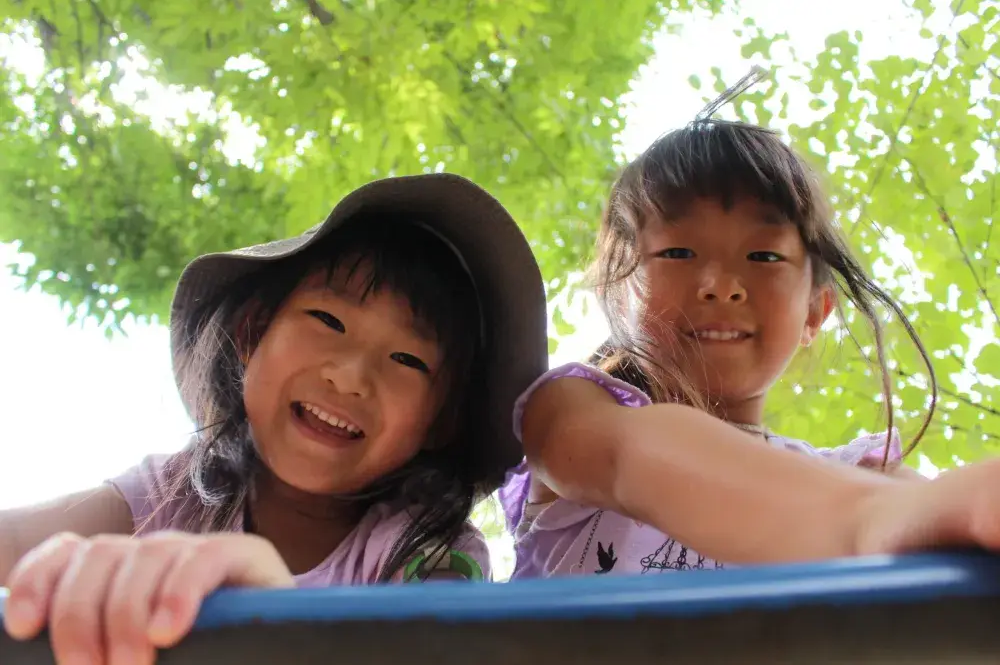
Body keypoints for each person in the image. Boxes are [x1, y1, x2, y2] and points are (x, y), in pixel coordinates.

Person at [1, 174, 548, 662]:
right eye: (327, 319)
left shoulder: (426, 553)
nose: (351, 376)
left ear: (442, 421)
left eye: (408, 359)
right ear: (252, 333)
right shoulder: (173, 493)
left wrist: (273, 625)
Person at [499, 110, 1000, 579]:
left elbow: (941, 516)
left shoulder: (859, 476)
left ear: (813, 312)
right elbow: (627, 458)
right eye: (678, 251)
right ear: (619, 289)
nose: (721, 283)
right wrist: (874, 519)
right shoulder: (568, 411)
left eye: (762, 255)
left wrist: (921, 509)